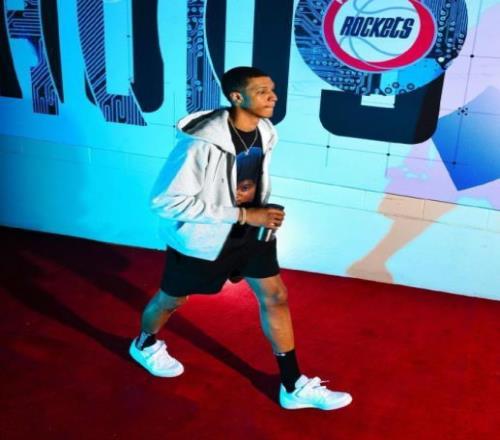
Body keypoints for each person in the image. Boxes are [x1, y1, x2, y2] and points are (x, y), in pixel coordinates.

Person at [130, 66, 352, 411]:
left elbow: (241, 181)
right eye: (262, 91)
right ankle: (144, 344)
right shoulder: (199, 143)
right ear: (237, 97)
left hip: (252, 235)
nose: (273, 97)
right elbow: (164, 201)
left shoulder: (266, 131)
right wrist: (245, 214)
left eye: (272, 89)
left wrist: (260, 210)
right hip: (203, 240)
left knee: (275, 296)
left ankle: (292, 385)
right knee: (171, 301)